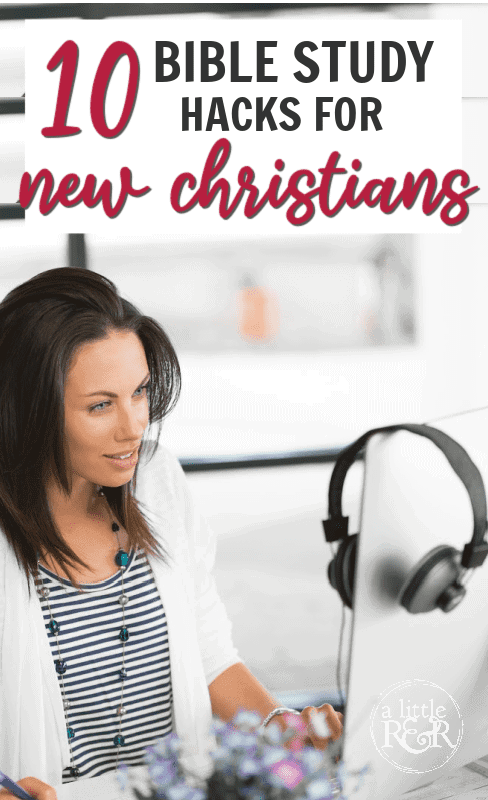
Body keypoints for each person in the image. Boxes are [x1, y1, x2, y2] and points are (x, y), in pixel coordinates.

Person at [0, 268, 343, 800]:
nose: (134, 425)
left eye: (138, 393)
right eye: (100, 405)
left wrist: (279, 727)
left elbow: (209, 651)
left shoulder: (156, 481)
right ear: (28, 408)